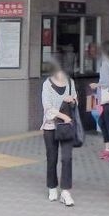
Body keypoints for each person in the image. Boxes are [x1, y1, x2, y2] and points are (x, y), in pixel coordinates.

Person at [40, 59, 76, 207]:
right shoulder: (47, 84)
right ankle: (52, 187)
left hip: (67, 127)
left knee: (67, 158)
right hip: (51, 127)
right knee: (52, 158)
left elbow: (75, 101)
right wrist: (63, 116)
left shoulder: (70, 82)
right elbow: (47, 108)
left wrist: (72, 101)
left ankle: (66, 191)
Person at [90, 41, 109, 161]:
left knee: (106, 123)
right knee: (105, 122)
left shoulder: (105, 63)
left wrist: (96, 85)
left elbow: (106, 82)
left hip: (108, 98)